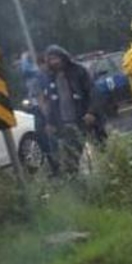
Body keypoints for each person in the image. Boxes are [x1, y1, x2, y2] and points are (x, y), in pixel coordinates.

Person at [41, 45, 103, 175]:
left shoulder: (79, 71)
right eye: (51, 59)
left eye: (56, 58)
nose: (54, 62)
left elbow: (93, 92)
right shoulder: (49, 78)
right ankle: (78, 187)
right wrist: (49, 122)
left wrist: (91, 112)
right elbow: (50, 103)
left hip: (86, 118)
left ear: (63, 57)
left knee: (102, 149)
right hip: (66, 123)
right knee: (71, 160)